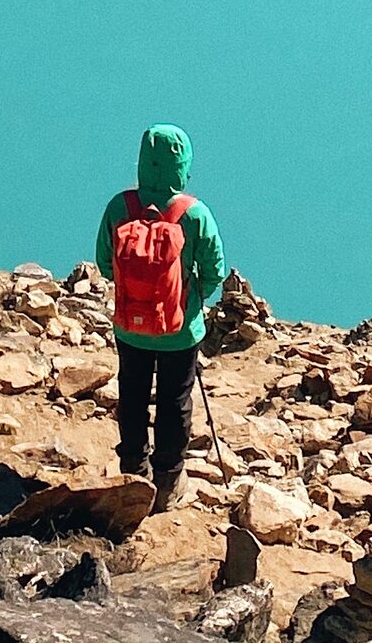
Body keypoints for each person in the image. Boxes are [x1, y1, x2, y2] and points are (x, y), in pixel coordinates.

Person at [95, 124, 226, 510]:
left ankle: (133, 473)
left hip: (130, 328)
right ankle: (168, 482)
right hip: (179, 330)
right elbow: (215, 269)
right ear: (182, 166)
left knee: (133, 395)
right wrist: (194, 294)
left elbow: (105, 263)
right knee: (174, 400)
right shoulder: (194, 214)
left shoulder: (120, 207)